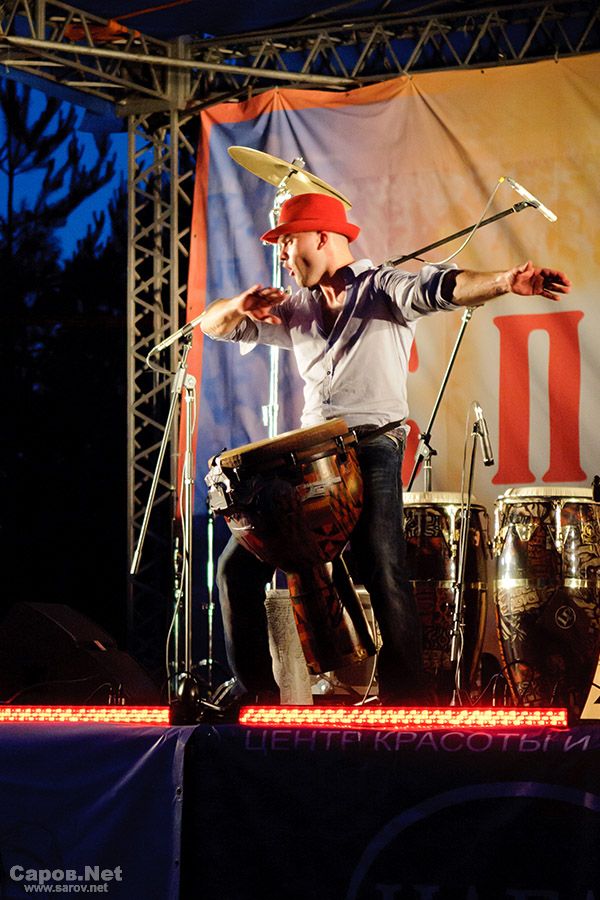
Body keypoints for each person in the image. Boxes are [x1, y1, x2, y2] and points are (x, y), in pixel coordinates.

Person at [201, 192, 571, 705]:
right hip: (308, 461)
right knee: (235, 568)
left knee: (381, 565)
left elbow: (444, 286)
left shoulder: (383, 287)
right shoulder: (295, 308)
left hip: (372, 447)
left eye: (288, 242)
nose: (281, 255)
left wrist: (507, 280)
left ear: (322, 238)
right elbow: (213, 325)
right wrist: (237, 307)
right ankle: (256, 693)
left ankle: (407, 699)